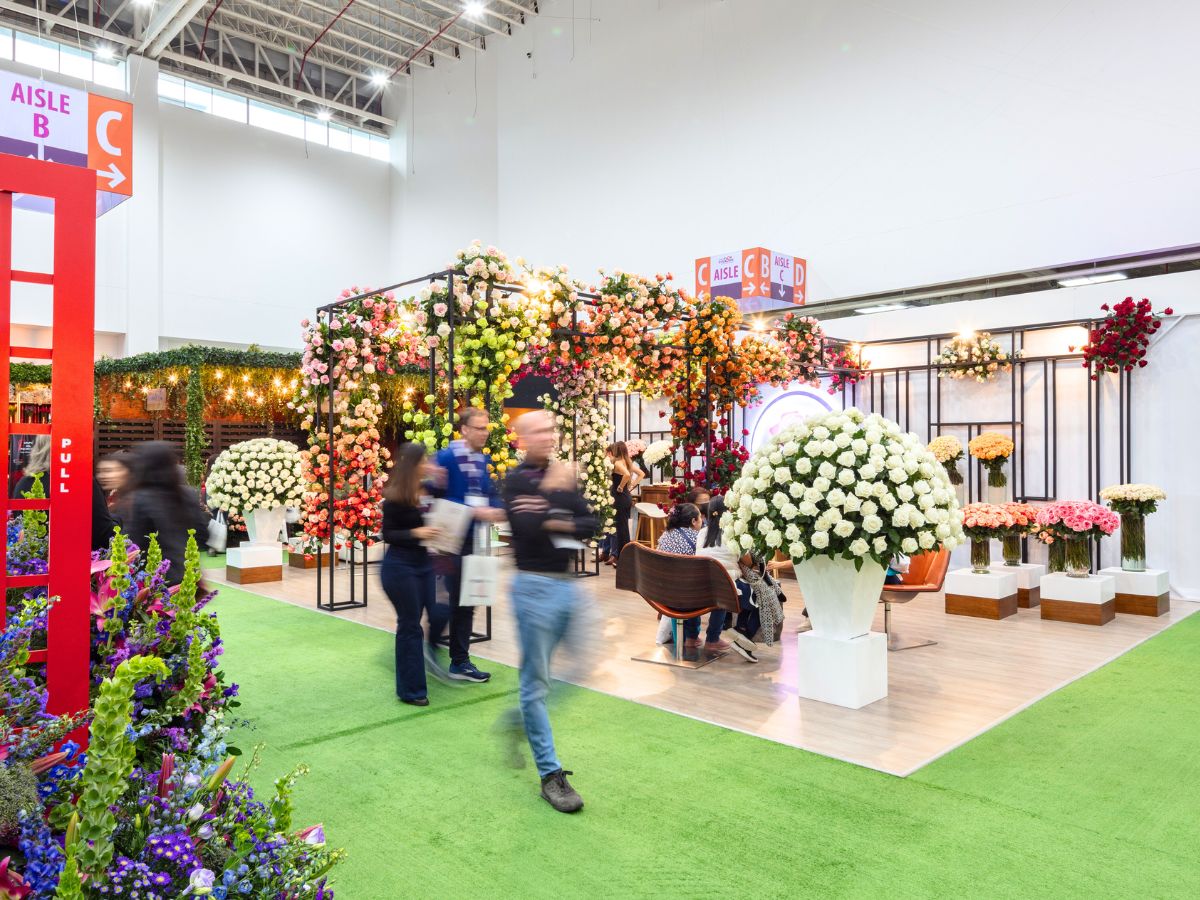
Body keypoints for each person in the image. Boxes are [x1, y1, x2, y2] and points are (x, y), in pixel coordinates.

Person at [501, 410, 597, 813]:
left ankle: (521, 719)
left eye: (551, 430)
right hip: (532, 588)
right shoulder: (515, 481)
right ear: (522, 439)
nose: (549, 437)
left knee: (585, 665)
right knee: (536, 684)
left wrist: (558, 515)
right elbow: (524, 528)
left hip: (567, 588)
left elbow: (592, 521)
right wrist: (555, 508)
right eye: (538, 431)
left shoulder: (562, 476)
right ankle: (550, 774)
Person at [433, 407, 506, 683]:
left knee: (467, 600)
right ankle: (442, 652)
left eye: (486, 427)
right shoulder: (446, 457)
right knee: (450, 600)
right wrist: (473, 511)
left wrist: (497, 508)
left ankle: (458, 660)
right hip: (448, 541)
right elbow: (433, 496)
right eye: (479, 428)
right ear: (464, 429)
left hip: (472, 540)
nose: (484, 433)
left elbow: (486, 494)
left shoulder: (480, 460)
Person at [380, 443, 447, 707]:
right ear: (412, 464)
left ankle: (425, 668)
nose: (427, 464)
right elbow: (388, 535)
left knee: (437, 612)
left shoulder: (429, 490)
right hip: (400, 566)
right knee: (410, 625)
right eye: (423, 460)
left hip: (424, 563)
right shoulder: (395, 496)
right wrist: (416, 534)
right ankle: (411, 690)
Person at [124, 442, 210, 585]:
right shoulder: (187, 494)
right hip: (188, 575)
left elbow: (135, 541)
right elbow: (202, 533)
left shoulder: (141, 498)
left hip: (155, 579)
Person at [656, 502, 730, 654]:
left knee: (689, 585)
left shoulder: (665, 535)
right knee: (722, 589)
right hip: (687, 596)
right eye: (700, 518)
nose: (703, 521)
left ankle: (691, 638)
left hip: (662, 593)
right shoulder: (698, 537)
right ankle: (712, 639)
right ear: (693, 521)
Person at [696, 495, 759, 663]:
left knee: (721, 588)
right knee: (760, 595)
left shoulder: (701, 533)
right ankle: (743, 632)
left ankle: (712, 640)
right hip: (728, 589)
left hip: (702, 588)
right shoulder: (733, 535)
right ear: (729, 513)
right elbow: (748, 562)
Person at [606, 442, 643, 567]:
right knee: (623, 528)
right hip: (626, 497)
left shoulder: (617, 463)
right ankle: (625, 557)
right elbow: (642, 474)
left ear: (616, 450)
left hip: (619, 497)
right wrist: (631, 485)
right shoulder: (628, 462)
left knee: (621, 529)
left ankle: (623, 559)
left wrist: (621, 486)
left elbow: (627, 475)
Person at [97, 451, 133, 516]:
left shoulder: (135, 503)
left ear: (128, 472)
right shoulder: (113, 495)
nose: (101, 476)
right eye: (99, 471)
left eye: (108, 471)